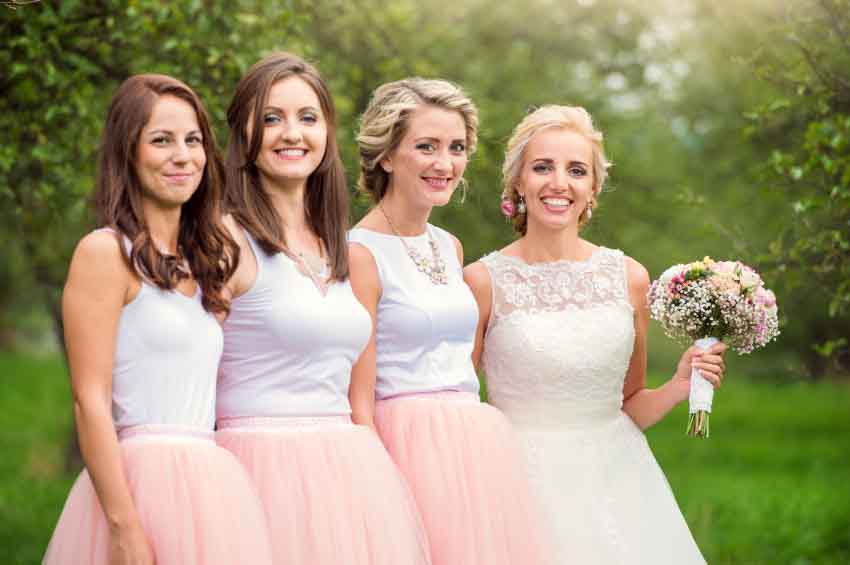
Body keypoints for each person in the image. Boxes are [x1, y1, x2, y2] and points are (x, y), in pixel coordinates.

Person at [464, 105, 727, 564]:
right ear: (518, 182)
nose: (558, 183)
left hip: (620, 486)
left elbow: (629, 406)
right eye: (542, 167)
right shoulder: (481, 282)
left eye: (576, 170)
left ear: (593, 188)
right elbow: (460, 411)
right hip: (517, 486)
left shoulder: (629, 278)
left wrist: (679, 385)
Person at [43, 74, 273, 565]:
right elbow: (89, 401)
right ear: (129, 153)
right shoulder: (105, 253)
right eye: (161, 140)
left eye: (193, 140)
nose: (182, 156)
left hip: (210, 484)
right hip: (137, 483)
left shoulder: (207, 262)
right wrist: (124, 527)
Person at [214, 52, 430, 565]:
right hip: (254, 472)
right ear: (244, 134)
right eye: (272, 118)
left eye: (307, 118)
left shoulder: (341, 250)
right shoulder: (224, 241)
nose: (292, 133)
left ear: (327, 133)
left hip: (346, 475)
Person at [348, 78, 551, 565]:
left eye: (456, 148)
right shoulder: (359, 253)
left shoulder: (449, 244)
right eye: (427, 147)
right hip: (404, 444)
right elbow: (357, 392)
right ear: (388, 156)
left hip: (471, 443)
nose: (445, 164)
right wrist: (375, 483)